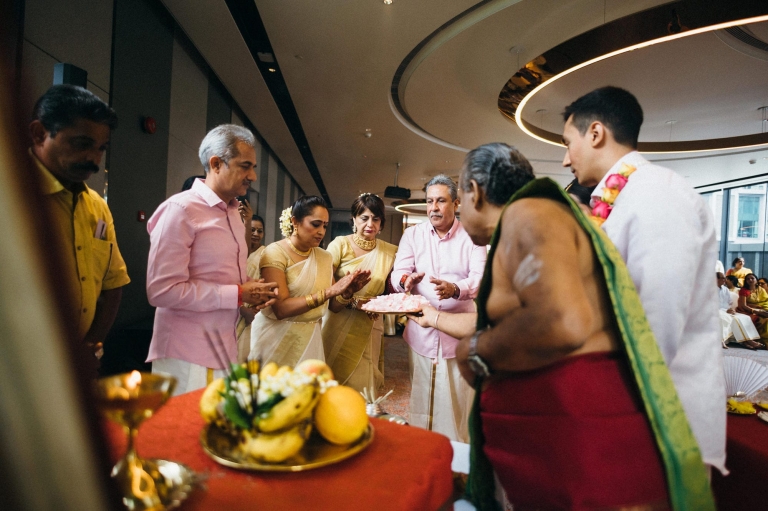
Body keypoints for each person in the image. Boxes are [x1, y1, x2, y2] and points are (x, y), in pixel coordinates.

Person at [411, 142, 713, 510]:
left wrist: (476, 351)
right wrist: (445, 323)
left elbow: (561, 319)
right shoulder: (530, 221)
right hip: (566, 440)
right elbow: (518, 318)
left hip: (579, 442)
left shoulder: (527, 214)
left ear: (473, 192)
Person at [561, 86, 726, 474]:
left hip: (662, 414)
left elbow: (656, 323)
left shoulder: (656, 194)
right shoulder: (623, 197)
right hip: (631, 406)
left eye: (569, 143)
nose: (565, 158)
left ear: (596, 133)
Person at [146, 124, 278, 395]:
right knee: (189, 434)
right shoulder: (180, 209)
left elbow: (221, 277)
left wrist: (253, 291)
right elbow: (161, 291)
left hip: (224, 348)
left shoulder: (231, 212)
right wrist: (238, 294)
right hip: (189, 352)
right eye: (245, 166)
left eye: (253, 167)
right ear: (216, 163)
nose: (252, 176)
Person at [30, 84, 130, 360]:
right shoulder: (15, 199)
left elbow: (113, 284)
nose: (94, 159)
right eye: (82, 144)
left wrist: (90, 347)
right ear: (40, 134)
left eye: (101, 148)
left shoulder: (97, 206)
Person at [390, 174, 486, 443]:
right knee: (422, 398)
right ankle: (423, 452)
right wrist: (404, 281)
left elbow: (479, 279)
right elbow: (400, 271)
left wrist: (455, 289)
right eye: (430, 201)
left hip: (458, 336)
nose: (433, 207)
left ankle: (457, 462)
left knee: (456, 402)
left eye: (441, 201)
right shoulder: (413, 235)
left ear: (456, 203)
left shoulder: (473, 236)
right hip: (421, 334)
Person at [249, 196, 370, 367]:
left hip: (311, 337)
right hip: (275, 338)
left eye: (325, 226)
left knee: (308, 391)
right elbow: (281, 309)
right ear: (295, 222)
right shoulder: (275, 252)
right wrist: (329, 292)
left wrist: (347, 293)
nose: (321, 231)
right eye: (315, 224)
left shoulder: (325, 257)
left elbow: (333, 306)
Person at [322, 193, 398, 391]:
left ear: (382, 223)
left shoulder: (391, 251)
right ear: (354, 219)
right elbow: (328, 295)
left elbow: (394, 286)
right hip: (339, 321)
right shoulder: (339, 245)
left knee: (365, 383)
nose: (370, 224)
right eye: (364, 218)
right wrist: (355, 302)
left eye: (376, 218)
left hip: (371, 324)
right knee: (335, 384)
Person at [235, 214, 267, 363]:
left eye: (259, 231)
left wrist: (254, 311)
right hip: (232, 309)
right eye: (252, 229)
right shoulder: (234, 252)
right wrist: (242, 309)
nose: (255, 234)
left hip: (254, 314)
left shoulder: (265, 254)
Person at [717, 272, 761, 349]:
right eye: (723, 278)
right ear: (716, 279)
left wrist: (730, 309)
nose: (725, 280)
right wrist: (725, 310)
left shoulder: (726, 289)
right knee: (731, 319)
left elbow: (729, 302)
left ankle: (748, 340)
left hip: (726, 310)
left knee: (745, 317)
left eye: (725, 278)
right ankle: (721, 340)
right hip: (715, 311)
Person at [736, 273, 768, 344]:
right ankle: (763, 341)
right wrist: (755, 311)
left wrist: (762, 308)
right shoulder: (744, 290)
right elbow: (743, 305)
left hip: (763, 308)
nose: (750, 280)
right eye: (748, 279)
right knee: (765, 319)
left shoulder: (761, 290)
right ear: (746, 281)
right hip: (747, 311)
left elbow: (766, 301)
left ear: (756, 280)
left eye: (752, 278)